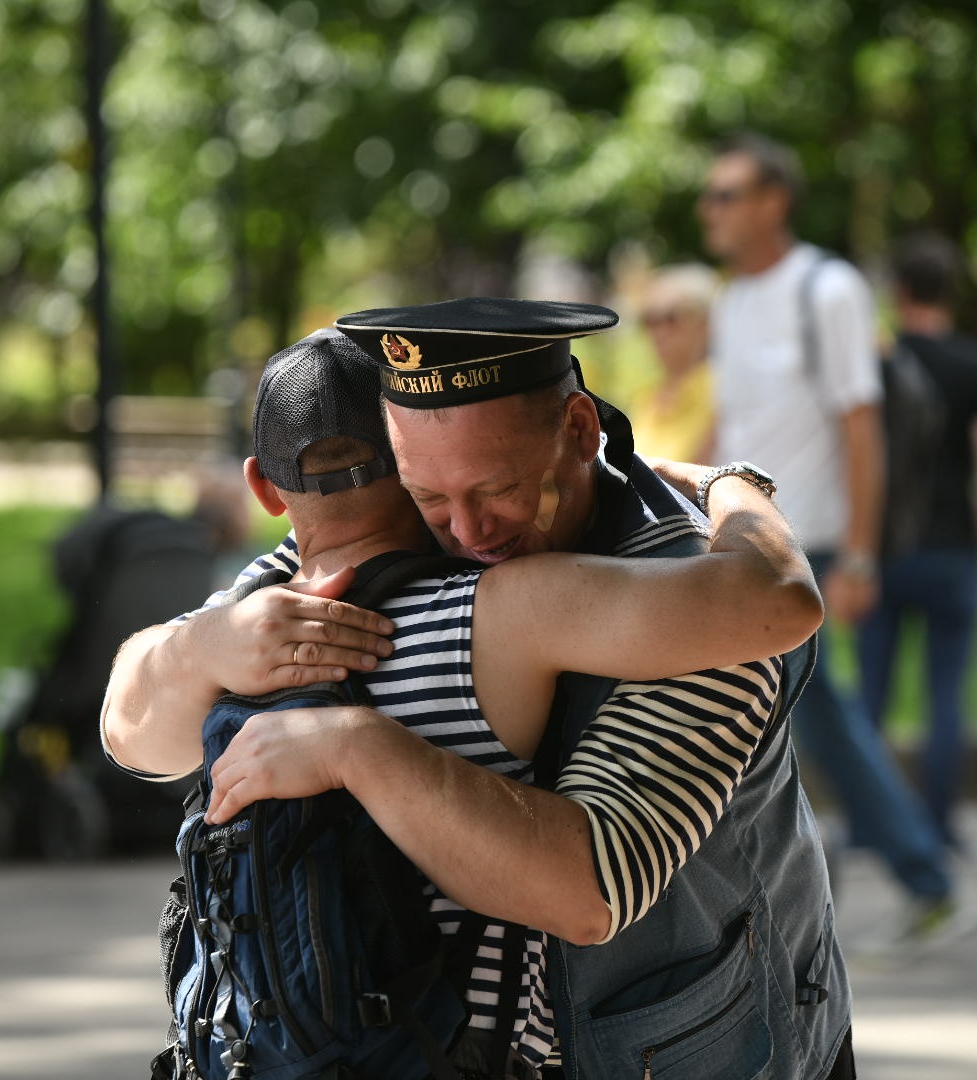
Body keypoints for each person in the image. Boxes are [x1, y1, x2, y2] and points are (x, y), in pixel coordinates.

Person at [105, 299, 854, 1078]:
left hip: (709, 1047)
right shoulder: (387, 539)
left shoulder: (699, 603)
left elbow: (590, 888)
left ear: (579, 431)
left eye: (499, 490)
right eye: (430, 497)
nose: (466, 532)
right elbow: (132, 732)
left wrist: (356, 747)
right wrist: (201, 643)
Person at [699, 131, 966, 951]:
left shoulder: (829, 287)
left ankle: (925, 880)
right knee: (782, 725)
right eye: (708, 196)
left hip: (804, 547)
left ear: (775, 200)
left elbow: (862, 425)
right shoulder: (733, 299)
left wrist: (858, 552)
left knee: (821, 722)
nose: (709, 210)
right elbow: (731, 425)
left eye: (726, 195)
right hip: (734, 548)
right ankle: (820, 897)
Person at [855, 232, 977, 850]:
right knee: (946, 696)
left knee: (871, 693)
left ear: (899, 293)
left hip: (885, 550)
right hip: (952, 550)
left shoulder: (878, 366)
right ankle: (940, 823)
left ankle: (873, 827)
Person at [630, 263, 720, 463]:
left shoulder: (723, 392)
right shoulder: (647, 399)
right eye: (649, 319)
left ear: (707, 322)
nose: (658, 331)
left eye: (673, 317)